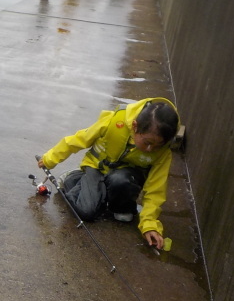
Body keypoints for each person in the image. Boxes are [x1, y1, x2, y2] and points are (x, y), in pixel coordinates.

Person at [37, 98, 179, 250]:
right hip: (96, 169)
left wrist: (150, 225)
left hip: (123, 179)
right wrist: (51, 158)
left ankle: (113, 202)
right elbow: (79, 139)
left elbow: (156, 190)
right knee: (87, 212)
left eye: (158, 145)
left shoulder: (163, 153)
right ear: (135, 126)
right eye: (148, 142)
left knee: (123, 200)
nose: (151, 149)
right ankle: (73, 178)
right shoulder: (114, 121)